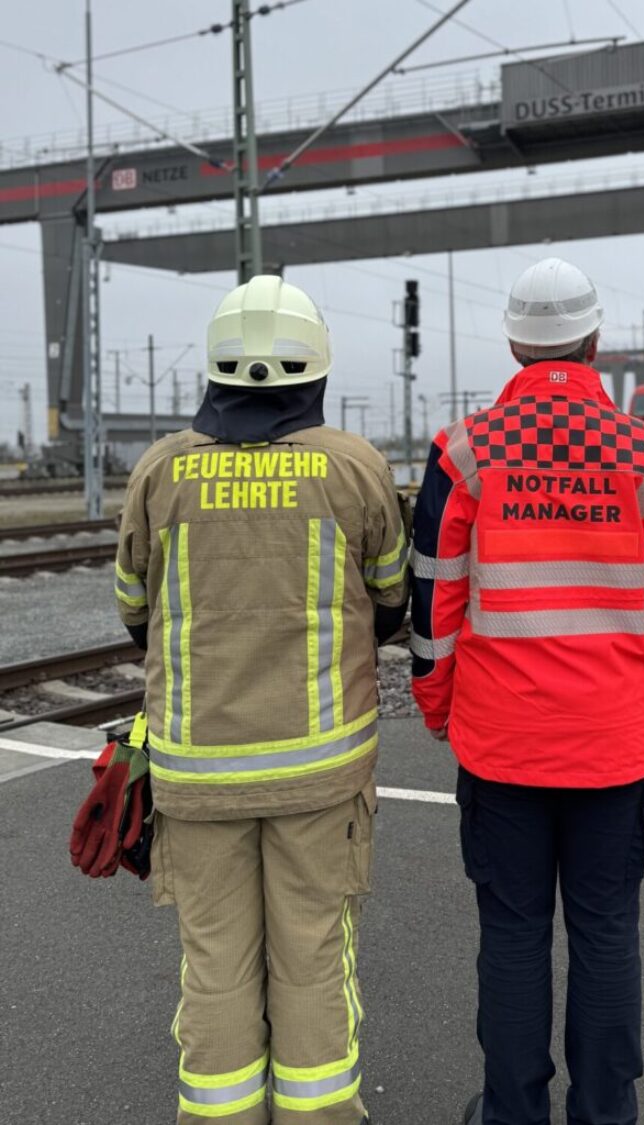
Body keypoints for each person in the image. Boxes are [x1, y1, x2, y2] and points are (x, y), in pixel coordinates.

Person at [409, 257, 644, 1125]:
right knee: (606, 929)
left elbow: (434, 595)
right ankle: (606, 1111)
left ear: (514, 345)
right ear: (595, 340)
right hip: (612, 745)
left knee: (512, 934)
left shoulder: (465, 453)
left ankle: (512, 1112)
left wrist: (438, 703)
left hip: (501, 745)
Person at [113, 275, 409, 1124]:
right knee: (313, 956)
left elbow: (134, 610)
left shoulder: (160, 472)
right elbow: (392, 599)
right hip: (319, 774)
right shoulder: (354, 467)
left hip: (197, 773)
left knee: (214, 964)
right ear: (316, 371)